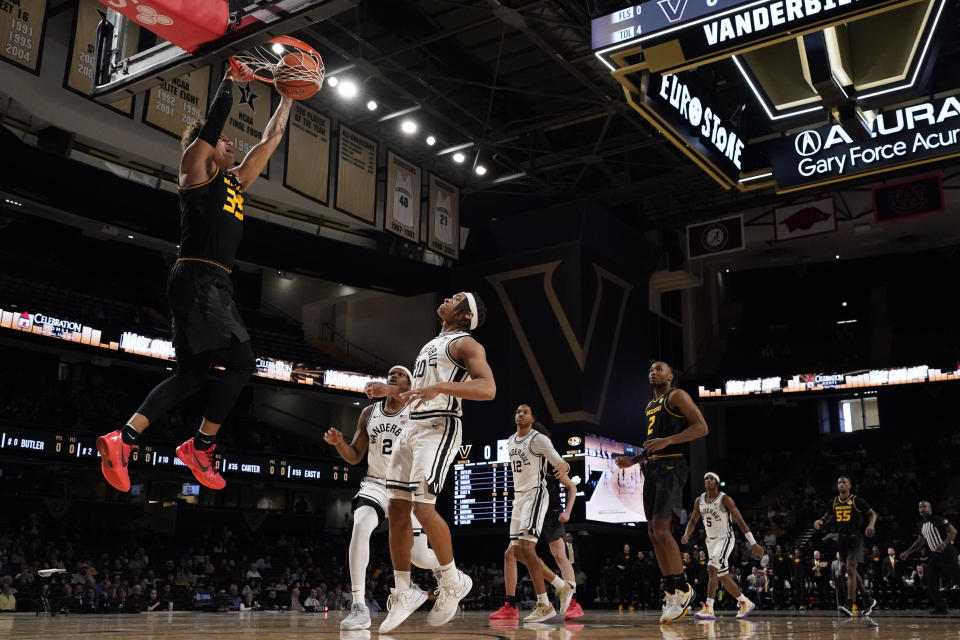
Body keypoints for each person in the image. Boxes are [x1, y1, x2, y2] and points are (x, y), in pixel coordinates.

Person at [96, 63, 294, 492]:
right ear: (205, 148)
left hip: (206, 283)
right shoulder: (194, 169)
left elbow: (270, 140)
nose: (230, 144)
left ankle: (123, 439)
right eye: (224, 142)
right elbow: (210, 130)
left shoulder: (236, 183)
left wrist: (289, 98)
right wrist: (230, 82)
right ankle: (200, 448)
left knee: (191, 376)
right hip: (200, 277)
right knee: (242, 362)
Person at [365, 292, 495, 632]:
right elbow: (420, 391)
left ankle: (453, 580)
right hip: (412, 425)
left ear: (466, 315)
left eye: (456, 299)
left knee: (423, 508)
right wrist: (390, 392)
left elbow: (488, 388)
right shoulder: (433, 342)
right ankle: (405, 590)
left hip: (440, 425)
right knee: (396, 509)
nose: (448, 299)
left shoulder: (467, 344)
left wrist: (441, 387)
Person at [324, 365, 442, 630]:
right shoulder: (369, 413)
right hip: (376, 484)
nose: (394, 375)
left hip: (407, 487)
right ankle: (358, 606)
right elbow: (354, 456)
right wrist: (339, 443)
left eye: (401, 374)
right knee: (360, 524)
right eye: (391, 373)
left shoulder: (414, 410)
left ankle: (448, 574)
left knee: (420, 557)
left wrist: (392, 389)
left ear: (409, 383)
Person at [615, 361, 709, 623]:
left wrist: (668, 440)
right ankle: (671, 589)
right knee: (652, 531)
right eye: (650, 370)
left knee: (661, 530)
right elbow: (654, 444)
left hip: (672, 464)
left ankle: (682, 587)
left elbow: (702, 427)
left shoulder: (677, 395)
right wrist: (634, 461)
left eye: (659, 369)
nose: (653, 372)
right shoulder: (650, 405)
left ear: (670, 376)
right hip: (654, 468)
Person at [490, 409, 580, 621]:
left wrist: (567, 510)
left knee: (556, 553)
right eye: (517, 412)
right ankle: (554, 589)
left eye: (525, 412)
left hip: (547, 507)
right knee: (513, 553)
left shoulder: (542, 447)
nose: (520, 415)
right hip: (523, 502)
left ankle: (565, 599)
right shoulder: (512, 441)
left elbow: (568, 477)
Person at [680, 472, 762, 620]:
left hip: (725, 538)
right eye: (706, 478)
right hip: (710, 541)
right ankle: (745, 602)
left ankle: (709, 608)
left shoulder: (725, 499)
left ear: (717, 482)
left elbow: (740, 520)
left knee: (712, 568)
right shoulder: (699, 500)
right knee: (722, 576)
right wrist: (687, 534)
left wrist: (753, 542)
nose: (708, 480)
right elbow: (693, 520)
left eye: (711, 479)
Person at [814, 476, 877, 616]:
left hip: (855, 538)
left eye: (844, 482)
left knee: (850, 568)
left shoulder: (856, 500)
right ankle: (868, 598)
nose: (841, 484)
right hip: (842, 539)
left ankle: (849, 604)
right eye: (839, 482)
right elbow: (827, 515)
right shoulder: (834, 501)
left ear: (850, 486)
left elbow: (872, 514)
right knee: (850, 570)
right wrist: (820, 521)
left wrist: (871, 525)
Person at [898, 500, 960, 615]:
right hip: (934, 555)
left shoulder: (939, 519)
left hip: (947, 552)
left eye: (924, 506)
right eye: (920, 507)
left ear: (930, 508)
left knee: (957, 578)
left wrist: (944, 543)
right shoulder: (922, 524)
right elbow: (920, 542)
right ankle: (941, 607)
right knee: (930, 580)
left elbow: (953, 532)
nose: (922, 508)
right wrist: (907, 552)